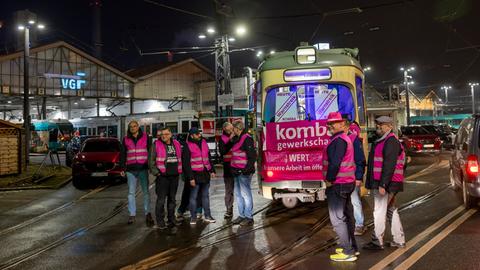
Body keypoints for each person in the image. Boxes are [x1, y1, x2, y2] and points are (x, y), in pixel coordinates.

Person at [363, 116, 406, 250]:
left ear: (390, 126)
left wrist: (383, 184)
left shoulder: (390, 141)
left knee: (379, 211)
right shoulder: (383, 141)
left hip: (386, 184)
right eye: (378, 125)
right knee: (391, 210)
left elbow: (389, 165)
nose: (378, 127)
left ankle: (377, 241)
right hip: (387, 182)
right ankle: (399, 240)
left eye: (381, 125)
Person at [324, 112, 358, 262]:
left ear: (341, 124)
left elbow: (335, 163)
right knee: (347, 216)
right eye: (329, 123)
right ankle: (352, 247)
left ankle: (347, 251)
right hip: (347, 182)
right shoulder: (344, 138)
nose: (330, 126)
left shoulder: (338, 141)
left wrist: (329, 179)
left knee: (337, 218)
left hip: (338, 183)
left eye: (333, 123)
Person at [121, 120, 154, 227]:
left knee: (145, 192)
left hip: (143, 168)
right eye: (131, 127)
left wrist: (151, 166)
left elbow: (150, 152)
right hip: (130, 169)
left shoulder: (146, 137)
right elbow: (123, 154)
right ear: (129, 128)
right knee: (131, 193)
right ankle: (132, 214)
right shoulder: (125, 139)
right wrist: (122, 168)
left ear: (138, 127)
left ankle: (148, 213)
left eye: (134, 126)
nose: (133, 128)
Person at [149, 127, 183, 229]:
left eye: (166, 134)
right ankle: (160, 221)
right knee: (161, 200)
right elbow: (151, 161)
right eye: (162, 134)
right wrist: (157, 173)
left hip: (174, 176)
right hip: (162, 177)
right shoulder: (156, 144)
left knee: (172, 199)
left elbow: (180, 158)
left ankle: (171, 219)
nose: (164, 136)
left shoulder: (176, 144)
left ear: (171, 134)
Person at [183, 127, 216, 225]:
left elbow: (208, 157)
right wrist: (190, 178)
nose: (199, 135)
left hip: (205, 174)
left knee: (205, 196)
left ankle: (207, 216)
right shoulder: (187, 146)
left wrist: (212, 170)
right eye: (197, 134)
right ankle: (193, 217)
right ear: (192, 135)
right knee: (193, 197)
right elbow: (186, 164)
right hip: (195, 175)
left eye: (199, 133)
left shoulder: (204, 142)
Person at [342, 115, 367, 236]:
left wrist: (358, 177)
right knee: (345, 202)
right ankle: (349, 224)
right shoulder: (338, 139)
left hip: (352, 177)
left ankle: (359, 225)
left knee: (355, 200)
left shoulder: (353, 139)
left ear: (346, 126)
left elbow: (360, 159)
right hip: (341, 178)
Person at [230, 121, 257, 226]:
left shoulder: (247, 139)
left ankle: (249, 217)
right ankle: (241, 215)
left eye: (233, 129)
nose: (232, 131)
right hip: (236, 172)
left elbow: (252, 157)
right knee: (238, 194)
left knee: (245, 194)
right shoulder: (237, 139)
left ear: (237, 129)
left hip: (244, 172)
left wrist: (244, 170)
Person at [218, 122, 235, 219]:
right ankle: (229, 210)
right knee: (229, 190)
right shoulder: (223, 139)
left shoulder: (236, 136)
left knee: (242, 191)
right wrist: (230, 140)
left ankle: (245, 211)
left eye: (232, 128)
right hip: (228, 169)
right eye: (230, 129)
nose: (232, 130)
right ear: (225, 129)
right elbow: (223, 151)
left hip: (238, 167)